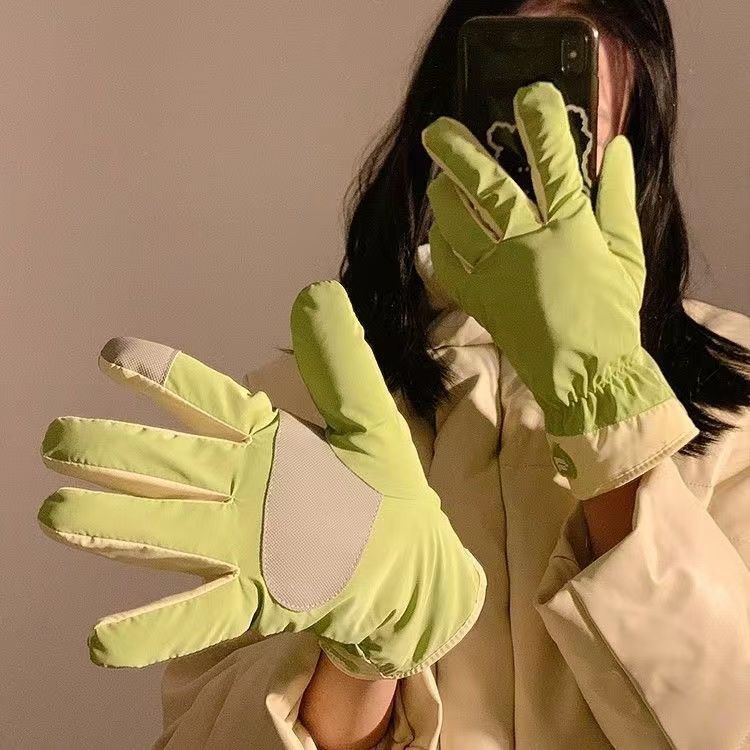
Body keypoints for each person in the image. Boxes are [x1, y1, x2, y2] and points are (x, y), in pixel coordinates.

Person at [58, 0, 750, 748]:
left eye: (570, 123)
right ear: (443, 118)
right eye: (505, 115)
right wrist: (369, 647)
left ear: (632, 141)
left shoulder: (739, 390)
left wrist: (607, 401)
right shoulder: (305, 401)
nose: (526, 150)